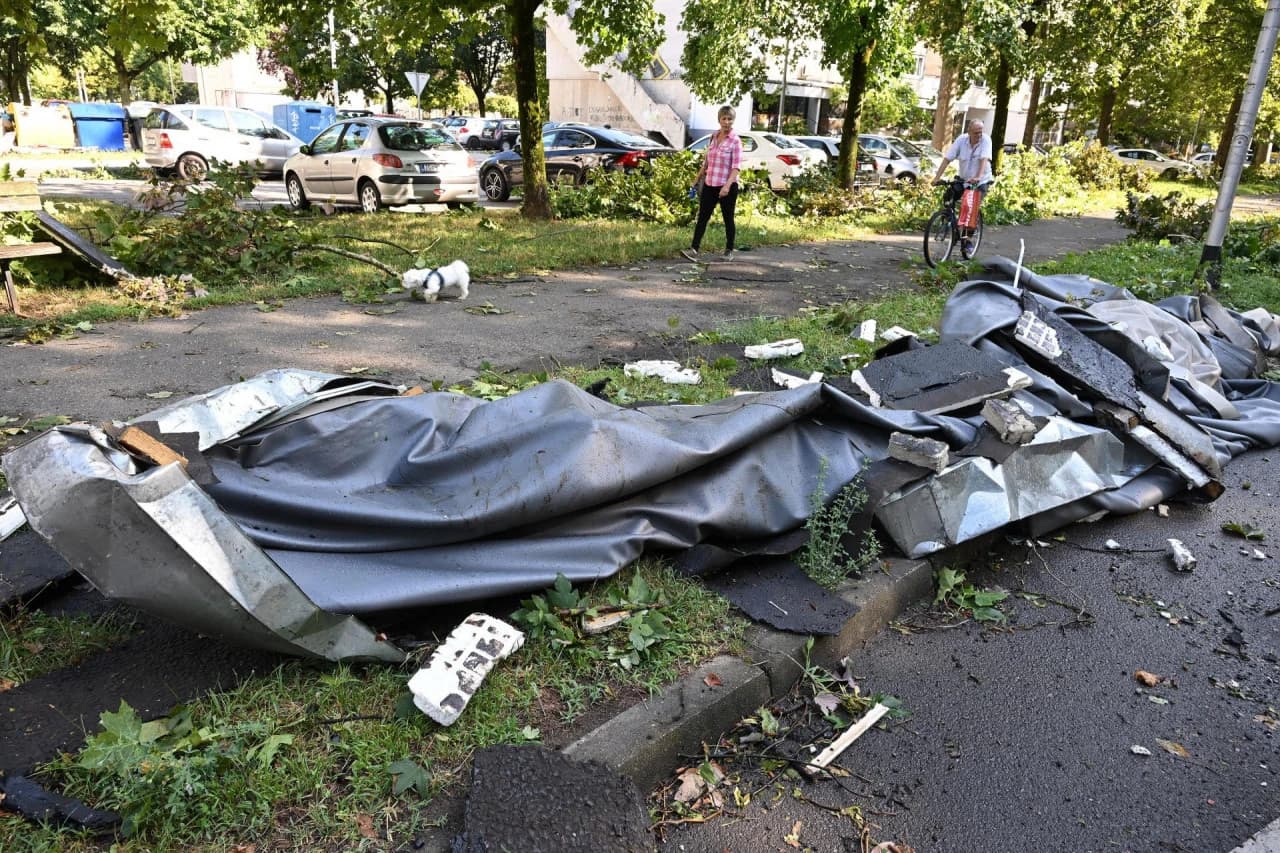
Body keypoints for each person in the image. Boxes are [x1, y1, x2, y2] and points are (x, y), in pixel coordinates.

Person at [683, 105, 742, 262]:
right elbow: (706, 163)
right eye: (724, 118)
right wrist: (695, 182)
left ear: (733, 121)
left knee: (728, 218)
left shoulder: (735, 141)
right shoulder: (713, 137)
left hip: (726, 186)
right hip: (710, 183)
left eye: (730, 119)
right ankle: (694, 248)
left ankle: (729, 250)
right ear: (719, 120)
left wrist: (727, 186)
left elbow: (736, 167)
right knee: (702, 217)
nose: (726, 122)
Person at [932, 120, 993, 253]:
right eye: (976, 132)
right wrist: (937, 177)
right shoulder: (961, 140)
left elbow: (984, 160)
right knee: (949, 195)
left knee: (970, 207)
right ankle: (950, 224)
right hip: (965, 179)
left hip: (981, 180)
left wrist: (978, 177)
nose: (979, 135)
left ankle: (967, 240)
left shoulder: (986, 141)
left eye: (980, 132)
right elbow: (947, 159)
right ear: (969, 131)